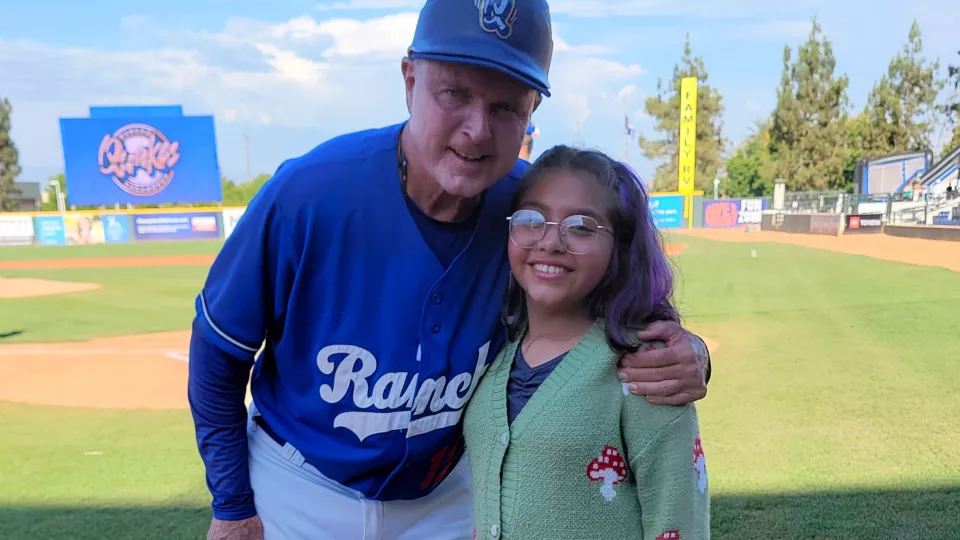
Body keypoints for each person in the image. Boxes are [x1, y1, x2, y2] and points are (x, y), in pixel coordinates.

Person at [187, 0, 712, 538]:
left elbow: (607, 298)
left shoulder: (528, 215)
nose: (477, 130)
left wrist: (690, 352)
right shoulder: (308, 193)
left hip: (448, 497)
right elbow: (219, 351)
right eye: (454, 94)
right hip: (298, 488)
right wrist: (231, 507)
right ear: (410, 79)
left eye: (506, 106)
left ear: (532, 110)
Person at [462, 145, 709, 540]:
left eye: (580, 226)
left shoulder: (647, 370)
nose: (550, 241)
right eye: (531, 219)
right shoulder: (491, 353)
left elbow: (679, 522)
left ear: (620, 247)